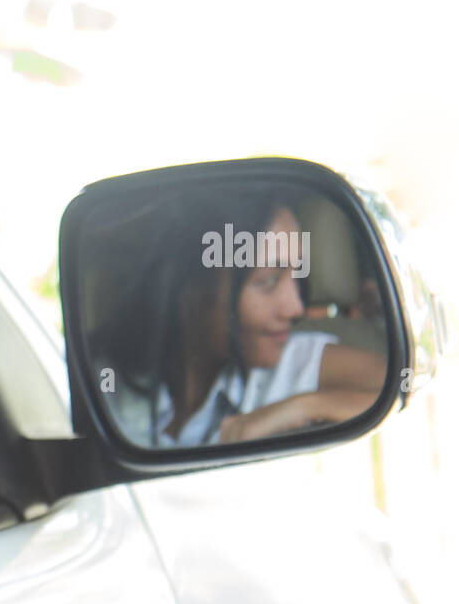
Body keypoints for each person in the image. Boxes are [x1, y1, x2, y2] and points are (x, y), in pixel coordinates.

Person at [98, 188, 386, 447]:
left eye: (296, 277)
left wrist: (300, 408)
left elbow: (396, 389)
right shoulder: (107, 383)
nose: (296, 308)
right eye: (269, 280)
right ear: (193, 289)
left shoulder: (289, 361)